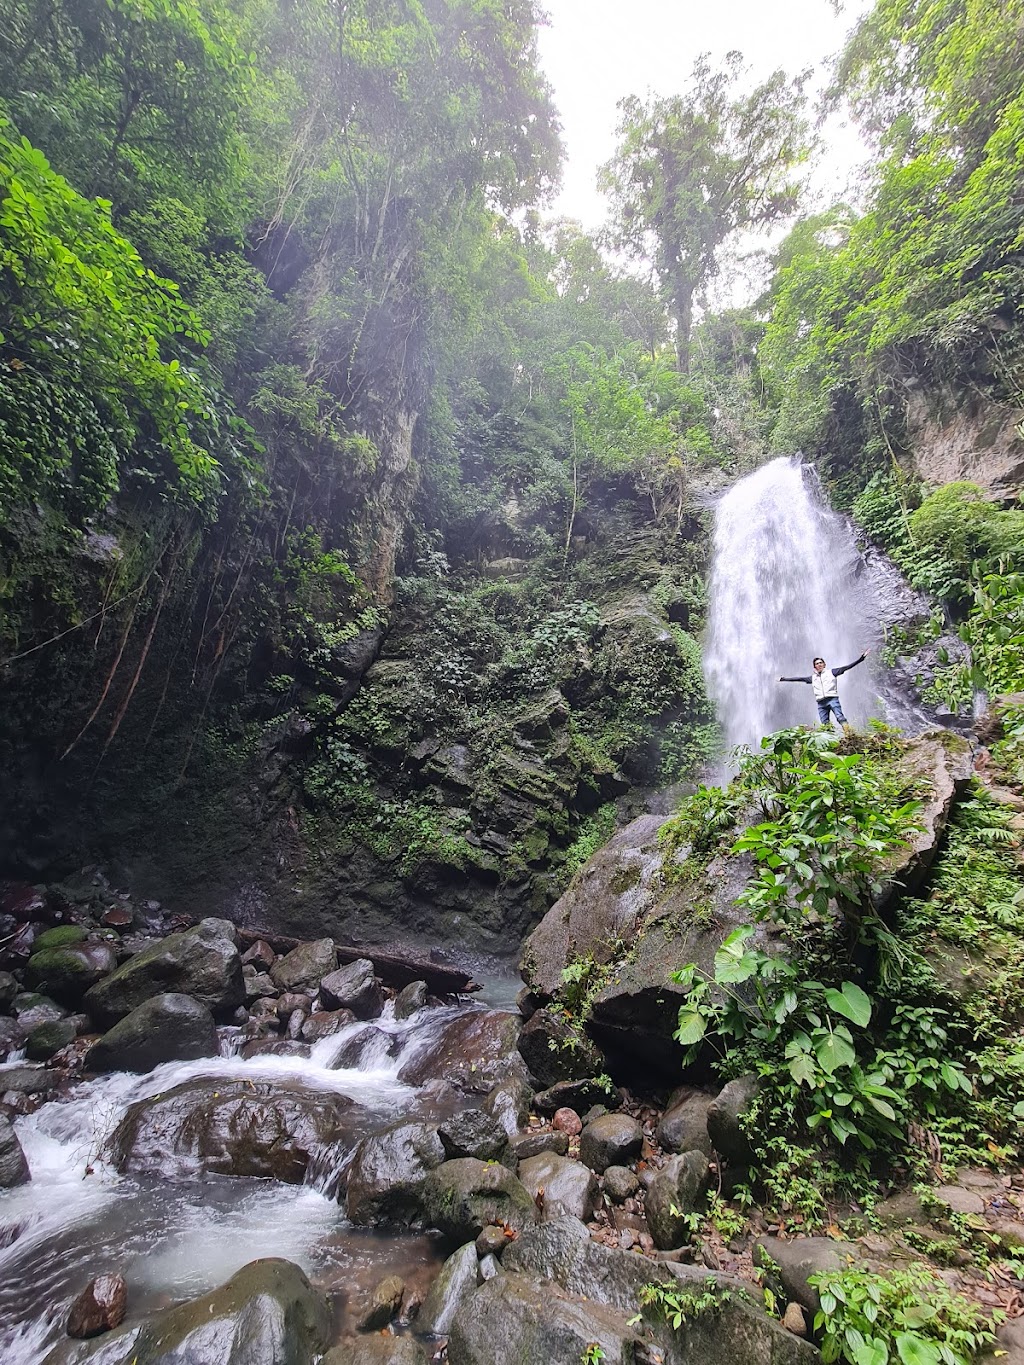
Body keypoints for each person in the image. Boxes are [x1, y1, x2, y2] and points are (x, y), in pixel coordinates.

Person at [779, 650, 870, 730]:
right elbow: (799, 679)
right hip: (821, 703)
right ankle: (830, 741)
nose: (819, 664)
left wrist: (861, 659)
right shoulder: (813, 678)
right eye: (817, 664)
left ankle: (849, 735)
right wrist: (783, 679)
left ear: (824, 664)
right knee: (825, 723)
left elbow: (847, 667)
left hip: (832, 699)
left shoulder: (832, 672)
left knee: (840, 717)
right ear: (814, 667)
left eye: (820, 663)